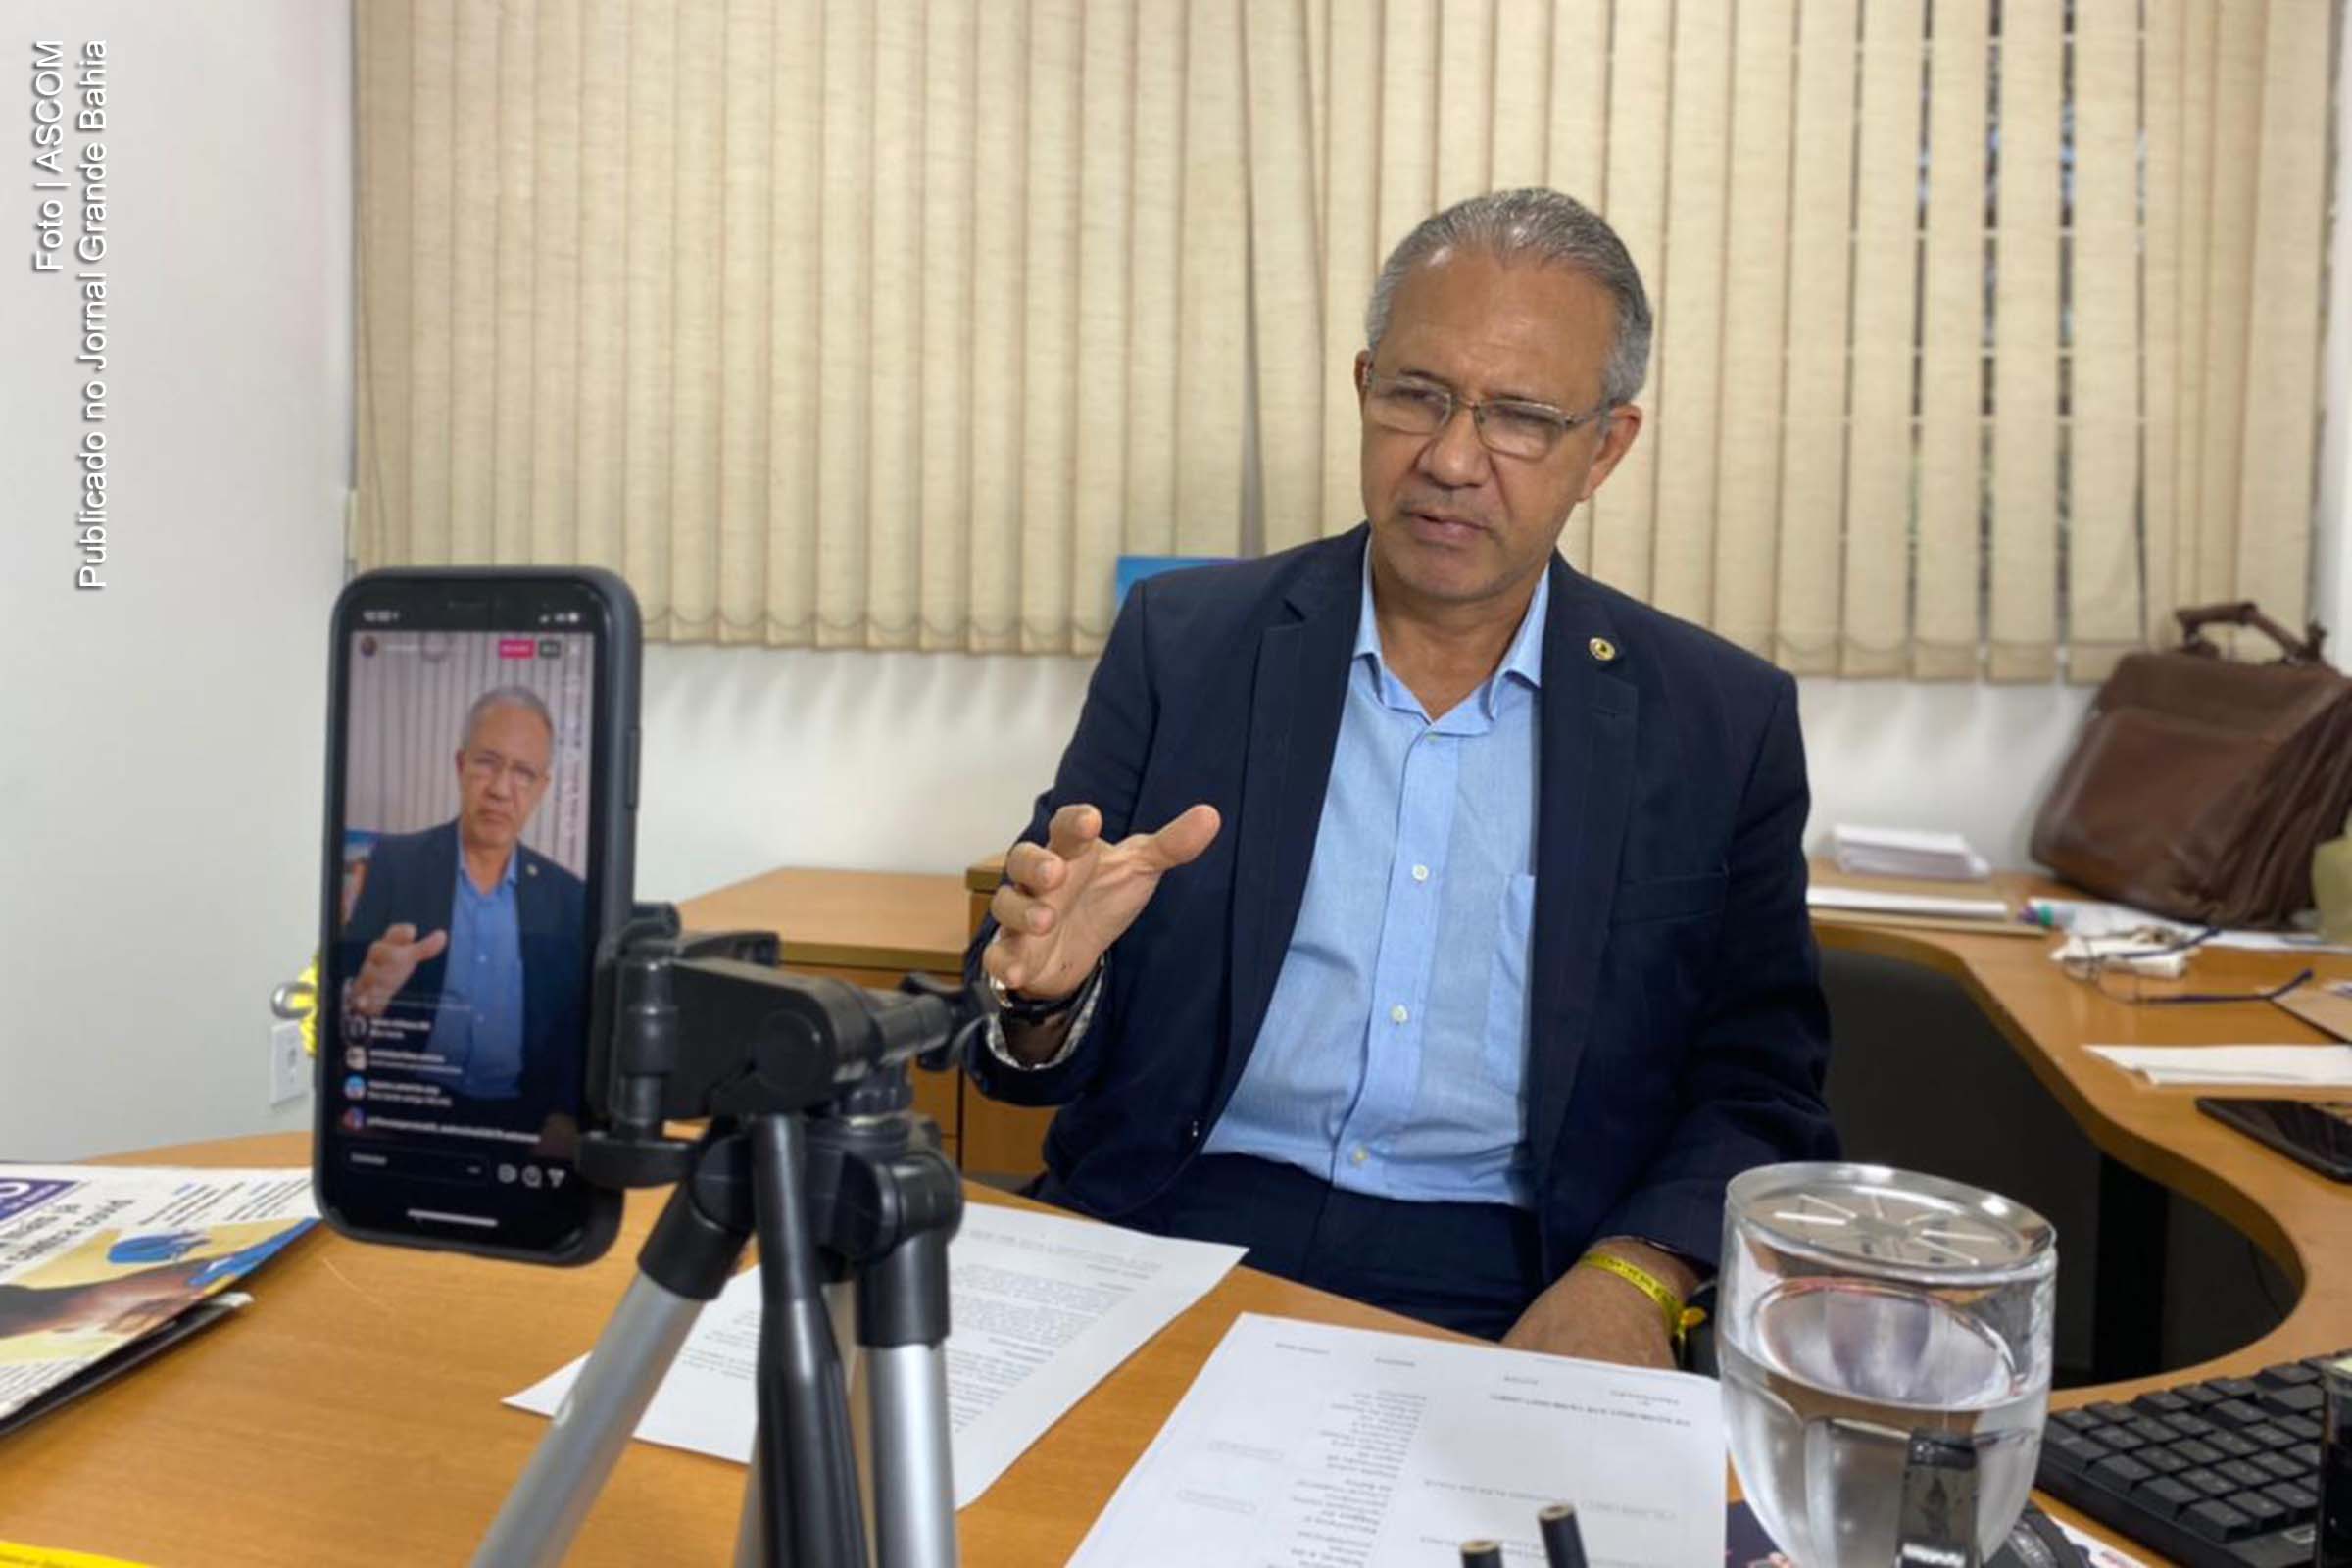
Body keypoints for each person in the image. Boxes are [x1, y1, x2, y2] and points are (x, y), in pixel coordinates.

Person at [966, 188, 1836, 1367]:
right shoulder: (1188, 643)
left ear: (1606, 448)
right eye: (1417, 396)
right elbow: (1024, 996)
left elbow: (1762, 1086)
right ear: (1365, 385)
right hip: (1176, 1222)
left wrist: (1636, 1275)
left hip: (1516, 1271)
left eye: (1521, 417)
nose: (1452, 459)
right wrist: (1043, 1000)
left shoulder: (1719, 719)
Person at [339, 685, 587, 1134]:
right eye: (486, 763)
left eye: (523, 773)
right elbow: (349, 1000)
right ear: (460, 765)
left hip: (523, 1123)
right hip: (409, 1112)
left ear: (542, 787)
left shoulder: (568, 898)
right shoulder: (395, 864)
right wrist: (362, 996)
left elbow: (573, 1029)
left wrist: (562, 1119)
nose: (499, 790)